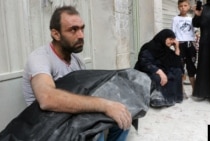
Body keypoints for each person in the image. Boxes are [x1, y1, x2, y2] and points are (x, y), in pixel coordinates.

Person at [22, 6, 131, 140]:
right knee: (96, 133)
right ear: (56, 34)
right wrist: (105, 105)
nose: (81, 35)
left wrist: (114, 103)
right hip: (47, 125)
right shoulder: (40, 58)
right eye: (73, 30)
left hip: (72, 116)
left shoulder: (77, 60)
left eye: (81, 28)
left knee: (123, 119)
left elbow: (86, 91)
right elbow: (47, 99)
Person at [134, 29, 183, 107]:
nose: (172, 42)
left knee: (177, 71)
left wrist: (177, 48)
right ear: (163, 38)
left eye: (173, 40)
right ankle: (157, 99)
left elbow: (177, 64)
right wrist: (159, 71)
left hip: (160, 70)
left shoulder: (166, 50)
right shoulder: (149, 47)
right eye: (170, 39)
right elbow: (145, 63)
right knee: (157, 77)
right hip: (146, 71)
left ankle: (174, 98)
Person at [172, 0, 197, 97]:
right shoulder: (175, 19)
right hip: (180, 45)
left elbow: (194, 32)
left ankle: (195, 91)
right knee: (180, 68)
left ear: (189, 6)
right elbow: (173, 34)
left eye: (185, 5)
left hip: (190, 45)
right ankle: (181, 92)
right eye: (181, 6)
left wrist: (194, 43)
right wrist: (176, 47)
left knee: (191, 68)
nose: (183, 7)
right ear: (178, 7)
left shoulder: (191, 19)